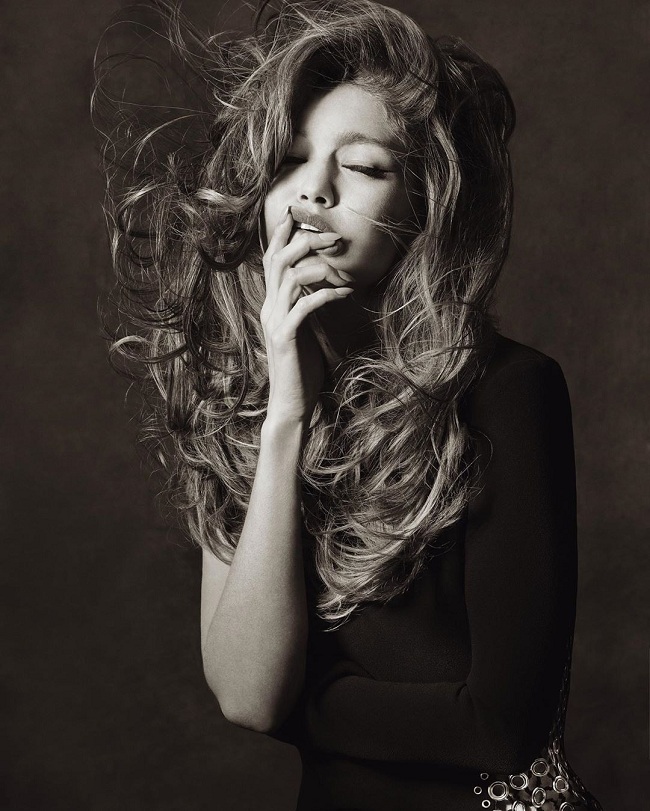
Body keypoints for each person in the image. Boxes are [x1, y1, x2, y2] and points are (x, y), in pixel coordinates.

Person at [94, 1, 604, 808]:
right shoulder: (241, 407)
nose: (314, 191)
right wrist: (284, 418)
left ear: (422, 203)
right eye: (291, 160)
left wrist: (304, 701)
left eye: (363, 166)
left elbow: (499, 725)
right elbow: (246, 693)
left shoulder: (510, 390)